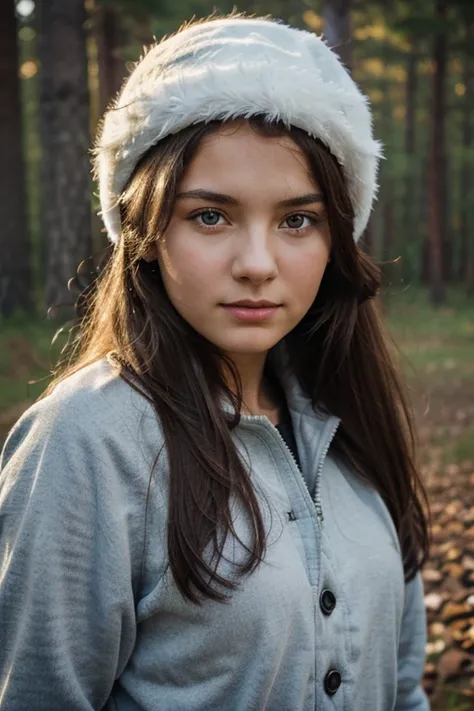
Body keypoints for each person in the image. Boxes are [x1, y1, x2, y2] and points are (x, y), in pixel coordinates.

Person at [0, 13, 430, 711]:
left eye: (297, 219)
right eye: (211, 215)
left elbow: (404, 687)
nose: (257, 264)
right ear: (143, 230)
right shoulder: (85, 442)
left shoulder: (355, 420)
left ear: (337, 238)